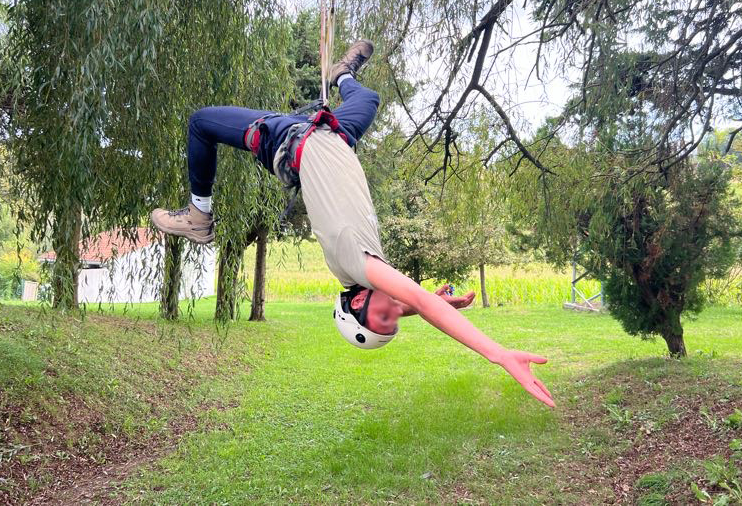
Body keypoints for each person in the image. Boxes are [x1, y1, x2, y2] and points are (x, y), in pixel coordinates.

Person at [151, 40, 555, 408]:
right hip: (335, 134)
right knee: (369, 97)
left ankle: (198, 215)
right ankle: (342, 75)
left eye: (386, 319)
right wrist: (432, 304)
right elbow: (410, 304)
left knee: (202, 122)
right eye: (395, 321)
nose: (395, 314)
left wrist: (497, 353)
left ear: (357, 303)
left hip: (283, 140)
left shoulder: (354, 263)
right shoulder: (364, 271)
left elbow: (418, 303)